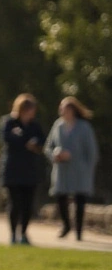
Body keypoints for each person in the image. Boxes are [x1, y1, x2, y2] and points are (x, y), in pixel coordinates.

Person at [44, 96, 100, 241]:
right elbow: (48, 147)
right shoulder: (58, 126)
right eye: (61, 108)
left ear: (73, 110)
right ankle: (67, 225)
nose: (63, 111)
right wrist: (55, 155)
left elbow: (92, 151)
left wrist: (88, 169)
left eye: (66, 109)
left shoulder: (84, 127)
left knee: (80, 201)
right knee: (60, 197)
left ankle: (79, 232)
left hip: (80, 169)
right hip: (62, 169)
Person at [0, 94, 44, 245]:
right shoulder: (9, 122)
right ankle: (13, 234)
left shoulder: (35, 126)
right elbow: (7, 139)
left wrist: (34, 143)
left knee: (28, 205)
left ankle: (24, 233)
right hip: (13, 170)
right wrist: (26, 142)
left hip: (30, 170)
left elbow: (42, 140)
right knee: (15, 203)